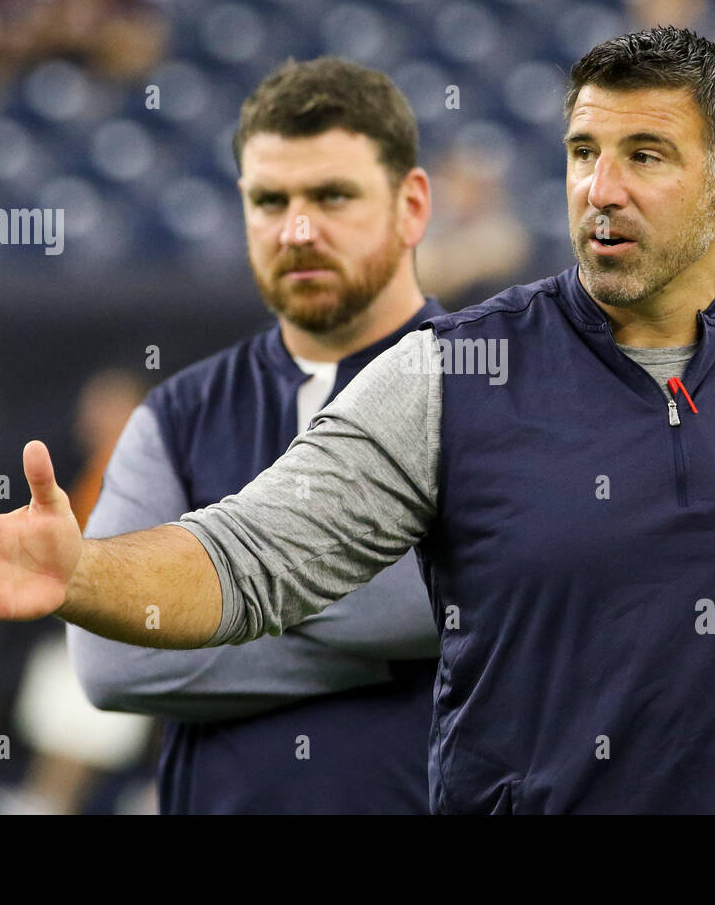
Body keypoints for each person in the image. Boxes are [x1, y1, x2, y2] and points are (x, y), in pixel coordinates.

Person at [0, 26, 715, 814]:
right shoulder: (453, 372)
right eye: (581, 152)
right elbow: (251, 556)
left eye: (644, 156)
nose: (601, 188)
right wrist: (82, 573)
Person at [66, 57, 444, 813]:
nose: (298, 230)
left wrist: (188, 605)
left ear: (411, 205)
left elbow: (462, 605)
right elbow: (111, 663)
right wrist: (383, 659)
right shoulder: (179, 414)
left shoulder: (493, 388)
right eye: (271, 200)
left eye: (332, 196)